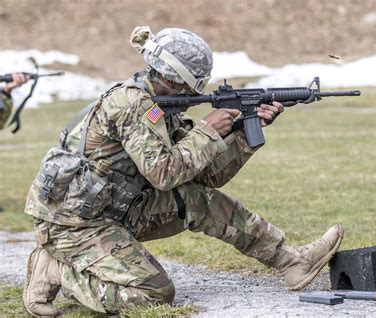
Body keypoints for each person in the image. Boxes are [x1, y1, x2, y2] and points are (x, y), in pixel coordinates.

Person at [22, 26, 344, 316]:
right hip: (74, 223)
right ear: (177, 79)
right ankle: (56, 270)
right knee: (153, 294)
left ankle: (291, 261)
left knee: (196, 199)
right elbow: (163, 174)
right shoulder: (132, 105)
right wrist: (207, 130)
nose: (198, 90)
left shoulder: (162, 107)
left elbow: (206, 175)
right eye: (195, 82)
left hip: (112, 209)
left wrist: (244, 132)